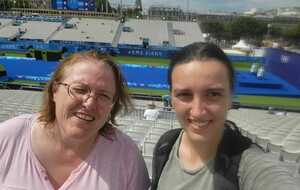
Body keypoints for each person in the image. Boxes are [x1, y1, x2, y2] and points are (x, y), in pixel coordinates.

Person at [151, 42, 299, 190]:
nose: (197, 111)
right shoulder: (165, 145)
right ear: (171, 98)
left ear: (230, 98)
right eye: (184, 94)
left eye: (213, 94)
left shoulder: (250, 165)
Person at [0, 51, 150, 190]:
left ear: (112, 105)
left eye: (104, 96)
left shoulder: (127, 156)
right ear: (54, 91)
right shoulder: (8, 138)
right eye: (79, 90)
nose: (90, 103)